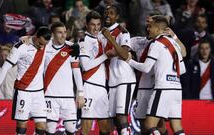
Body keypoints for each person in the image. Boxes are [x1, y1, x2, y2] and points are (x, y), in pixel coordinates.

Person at [0, 27, 52, 135]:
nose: (42, 47)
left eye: (44, 44)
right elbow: (5, 68)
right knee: (21, 127)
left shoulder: (45, 44)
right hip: (23, 92)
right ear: (36, 36)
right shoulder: (20, 47)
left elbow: (61, 41)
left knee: (42, 128)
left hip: (38, 93)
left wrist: (74, 45)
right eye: (40, 43)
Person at [126, 15, 186, 135]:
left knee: (149, 125)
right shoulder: (173, 43)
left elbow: (146, 68)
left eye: (151, 27)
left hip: (163, 88)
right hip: (177, 89)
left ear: (159, 30)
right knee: (177, 128)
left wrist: (129, 61)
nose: (148, 29)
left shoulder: (156, 44)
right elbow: (183, 69)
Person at [100, 5, 136, 134]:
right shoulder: (100, 33)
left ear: (117, 16)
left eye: (111, 13)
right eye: (106, 12)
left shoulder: (123, 32)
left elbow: (125, 53)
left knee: (121, 116)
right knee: (109, 122)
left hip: (124, 79)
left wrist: (110, 38)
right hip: (110, 81)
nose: (108, 15)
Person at [44, 22, 85, 135]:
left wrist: (80, 93)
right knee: (50, 130)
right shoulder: (45, 48)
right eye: (59, 32)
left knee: (71, 130)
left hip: (68, 96)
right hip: (50, 96)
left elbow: (76, 72)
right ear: (53, 34)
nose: (63, 35)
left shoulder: (72, 48)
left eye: (65, 32)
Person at [78, 11, 110, 135]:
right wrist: (105, 56)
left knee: (105, 128)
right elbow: (85, 66)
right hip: (89, 86)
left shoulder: (100, 38)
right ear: (87, 25)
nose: (96, 28)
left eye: (98, 24)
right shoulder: (84, 40)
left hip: (102, 88)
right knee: (86, 127)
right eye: (93, 24)